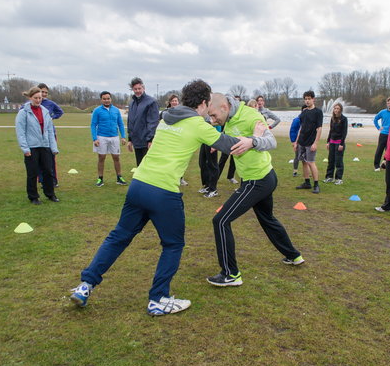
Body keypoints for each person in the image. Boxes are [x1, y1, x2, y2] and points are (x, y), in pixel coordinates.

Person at [70, 79, 261, 315]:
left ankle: (85, 285)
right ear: (203, 103)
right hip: (163, 192)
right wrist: (256, 138)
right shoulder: (197, 124)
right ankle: (158, 298)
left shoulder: (166, 118)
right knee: (173, 244)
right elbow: (229, 145)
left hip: (139, 185)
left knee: (118, 237)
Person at [206, 93, 304, 287]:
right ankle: (294, 256)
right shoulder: (229, 117)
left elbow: (272, 142)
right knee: (267, 219)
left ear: (224, 108)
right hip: (260, 178)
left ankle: (230, 274)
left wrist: (253, 141)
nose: (212, 120)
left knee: (220, 220)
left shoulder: (251, 115)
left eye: (214, 116)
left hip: (258, 180)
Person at [15, 87, 59, 204]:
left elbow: (49, 131)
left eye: (40, 98)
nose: (38, 100)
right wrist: (25, 148)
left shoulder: (45, 111)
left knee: (48, 172)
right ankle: (33, 197)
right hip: (31, 147)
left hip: (45, 146)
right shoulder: (23, 112)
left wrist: (53, 147)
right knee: (32, 173)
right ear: (30, 98)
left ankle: (50, 194)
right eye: (35, 98)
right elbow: (21, 132)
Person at [91, 91, 127, 187]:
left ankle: (119, 177)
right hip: (101, 137)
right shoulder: (97, 110)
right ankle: (100, 178)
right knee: (101, 157)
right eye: (104, 99)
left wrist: (123, 136)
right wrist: (95, 139)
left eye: (108, 98)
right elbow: (93, 125)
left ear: (111, 99)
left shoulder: (116, 110)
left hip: (114, 137)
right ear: (101, 99)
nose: (106, 100)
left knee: (116, 157)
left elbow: (120, 124)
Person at [294, 90, 323, 193]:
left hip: (311, 142)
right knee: (303, 162)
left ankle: (316, 184)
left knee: (311, 162)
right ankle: (307, 183)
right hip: (302, 141)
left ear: (313, 99)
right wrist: (296, 142)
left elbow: (319, 129)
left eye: (309, 99)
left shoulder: (318, 112)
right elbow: (301, 128)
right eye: (305, 99)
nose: (307, 101)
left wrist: (316, 143)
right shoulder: (304, 112)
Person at [127, 77, 159, 166]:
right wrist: (130, 139)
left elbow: (153, 122)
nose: (137, 91)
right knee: (140, 166)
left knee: (148, 166)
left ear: (143, 88)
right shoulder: (132, 103)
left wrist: (150, 140)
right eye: (135, 89)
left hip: (146, 142)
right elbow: (131, 121)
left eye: (139, 88)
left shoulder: (151, 102)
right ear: (132, 89)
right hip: (137, 142)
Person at [37, 83, 64, 187]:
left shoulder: (50, 104)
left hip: (50, 134)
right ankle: (42, 180)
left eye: (46, 92)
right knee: (39, 158)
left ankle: (53, 180)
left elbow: (60, 112)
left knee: (51, 158)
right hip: (37, 135)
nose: (44, 94)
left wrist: (52, 117)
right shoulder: (31, 103)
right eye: (42, 91)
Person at [323, 103, 348, 185]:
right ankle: (329, 177)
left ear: (340, 109)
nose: (336, 110)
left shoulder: (344, 119)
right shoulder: (332, 118)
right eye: (335, 108)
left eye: (338, 108)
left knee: (338, 161)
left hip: (339, 143)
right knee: (331, 160)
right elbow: (331, 131)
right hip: (332, 142)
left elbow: (344, 132)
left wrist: (341, 144)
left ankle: (339, 178)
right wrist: (328, 142)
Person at [373, 97, 390, 171]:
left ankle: (385, 164)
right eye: (388, 103)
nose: (389, 104)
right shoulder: (382, 112)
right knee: (379, 150)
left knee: (389, 150)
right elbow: (375, 119)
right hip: (383, 134)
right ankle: (376, 166)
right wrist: (378, 127)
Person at [289, 105, 306, 177]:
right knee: (297, 156)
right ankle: (295, 172)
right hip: (298, 142)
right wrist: (293, 142)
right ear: (302, 111)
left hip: (306, 141)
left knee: (306, 157)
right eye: (304, 110)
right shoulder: (297, 119)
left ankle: (306, 172)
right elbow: (292, 131)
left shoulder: (308, 120)